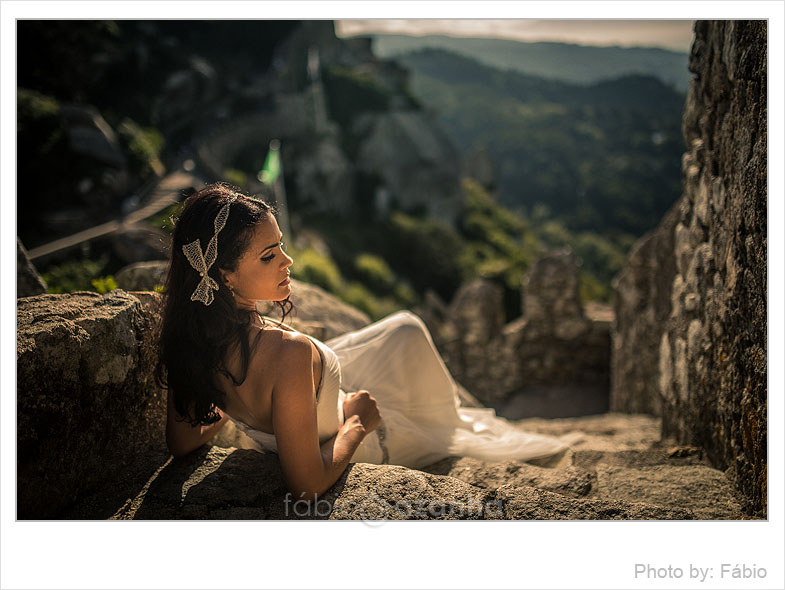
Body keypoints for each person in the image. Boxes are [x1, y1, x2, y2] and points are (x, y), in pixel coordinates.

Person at [157, 183, 578, 504]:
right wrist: (358, 421)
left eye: (282, 245)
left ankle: (456, 414)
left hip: (296, 413)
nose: (287, 261)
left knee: (403, 331)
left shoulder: (191, 341)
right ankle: (458, 420)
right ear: (225, 276)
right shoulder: (288, 353)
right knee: (411, 340)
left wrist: (237, 406)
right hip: (337, 430)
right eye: (269, 256)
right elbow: (307, 488)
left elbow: (182, 442)